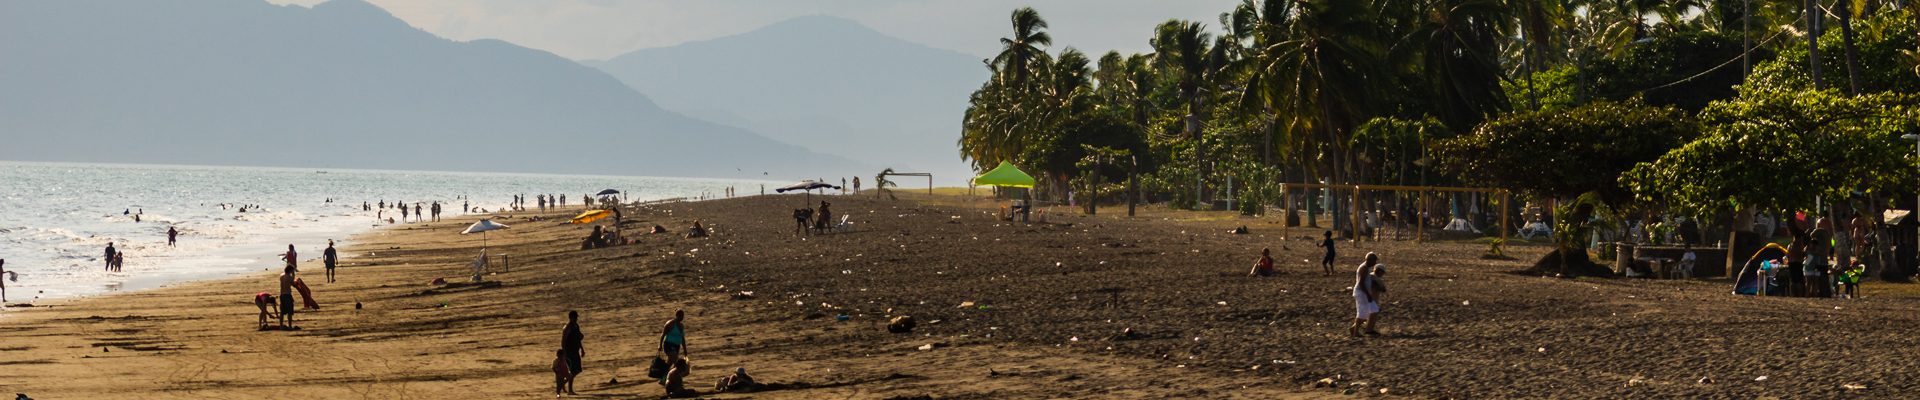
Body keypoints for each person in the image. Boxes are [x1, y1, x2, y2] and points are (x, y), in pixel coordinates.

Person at [1349, 253, 1381, 337]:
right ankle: (1355, 333)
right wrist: (1367, 294)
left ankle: (1356, 329)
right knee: (1361, 313)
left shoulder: (1366, 268)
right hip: (1361, 292)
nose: (1375, 263)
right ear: (1370, 260)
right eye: (1374, 261)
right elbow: (1361, 282)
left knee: (1373, 310)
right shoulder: (1364, 268)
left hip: (1364, 292)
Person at [560, 311, 584, 395]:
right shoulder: (567, 328)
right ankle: (570, 390)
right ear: (570, 318)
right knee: (573, 370)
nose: (575, 319)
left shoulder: (576, 326)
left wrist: (582, 349)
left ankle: (563, 383)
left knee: (578, 370)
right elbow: (563, 341)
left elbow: (578, 338)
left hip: (575, 350)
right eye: (574, 317)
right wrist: (564, 352)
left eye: (576, 317)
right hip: (569, 352)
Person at [278, 264, 297, 328]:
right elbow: (294, 285)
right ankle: (290, 326)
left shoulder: (281, 276)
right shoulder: (290, 277)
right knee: (289, 311)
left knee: (282, 311)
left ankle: (281, 325)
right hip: (288, 295)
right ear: (289, 271)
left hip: (282, 294)